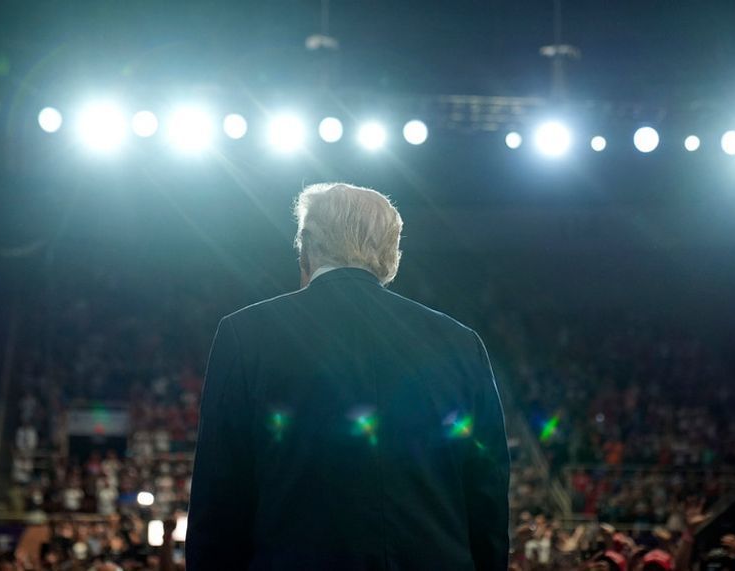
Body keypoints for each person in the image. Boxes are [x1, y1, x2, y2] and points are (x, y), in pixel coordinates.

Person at [185, 183, 510, 570]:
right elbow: (487, 495)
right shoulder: (461, 343)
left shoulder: (245, 335)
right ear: (390, 253)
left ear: (306, 244)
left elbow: (218, 502)